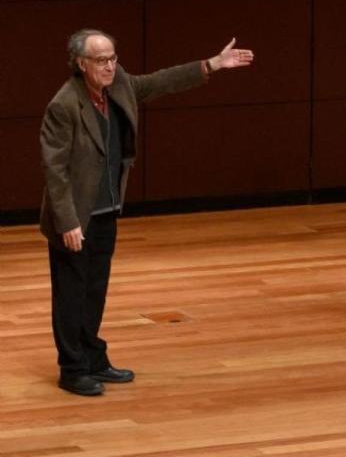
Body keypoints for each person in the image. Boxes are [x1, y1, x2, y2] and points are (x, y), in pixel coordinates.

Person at [40, 29, 254, 396]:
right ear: (81, 63)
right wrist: (68, 221)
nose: (110, 66)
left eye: (113, 57)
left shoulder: (119, 83)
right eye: (101, 60)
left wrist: (212, 65)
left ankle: (93, 357)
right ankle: (72, 369)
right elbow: (54, 170)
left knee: (95, 291)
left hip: (105, 209)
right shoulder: (64, 105)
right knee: (71, 294)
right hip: (74, 217)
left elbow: (158, 82)